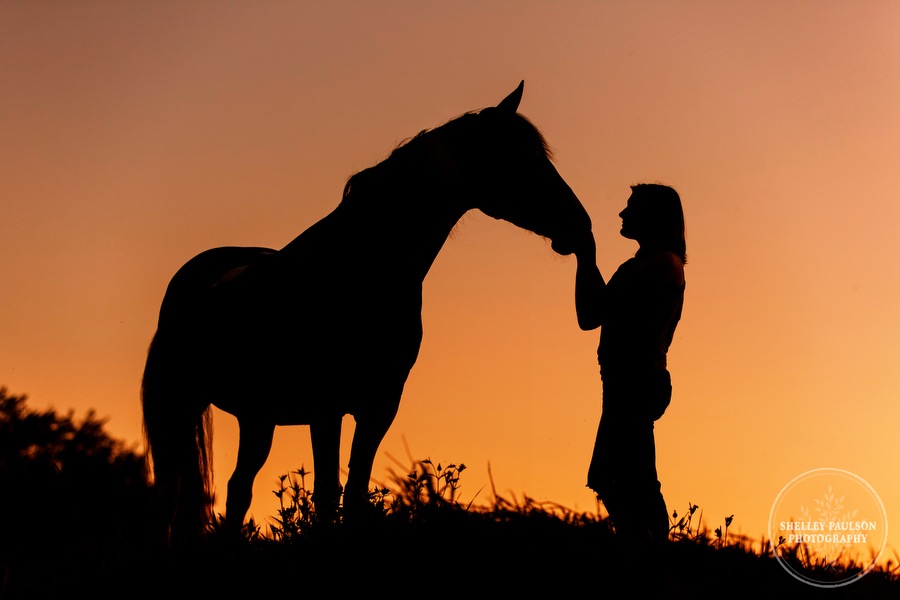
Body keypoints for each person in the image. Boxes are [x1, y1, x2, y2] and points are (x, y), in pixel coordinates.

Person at [573, 183, 686, 542]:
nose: (622, 215)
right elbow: (590, 315)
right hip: (625, 381)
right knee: (617, 475)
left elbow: (599, 310)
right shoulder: (640, 265)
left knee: (624, 476)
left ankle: (648, 544)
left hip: (638, 381)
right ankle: (641, 543)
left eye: (631, 207)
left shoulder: (662, 264)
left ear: (653, 217)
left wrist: (587, 256)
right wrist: (585, 258)